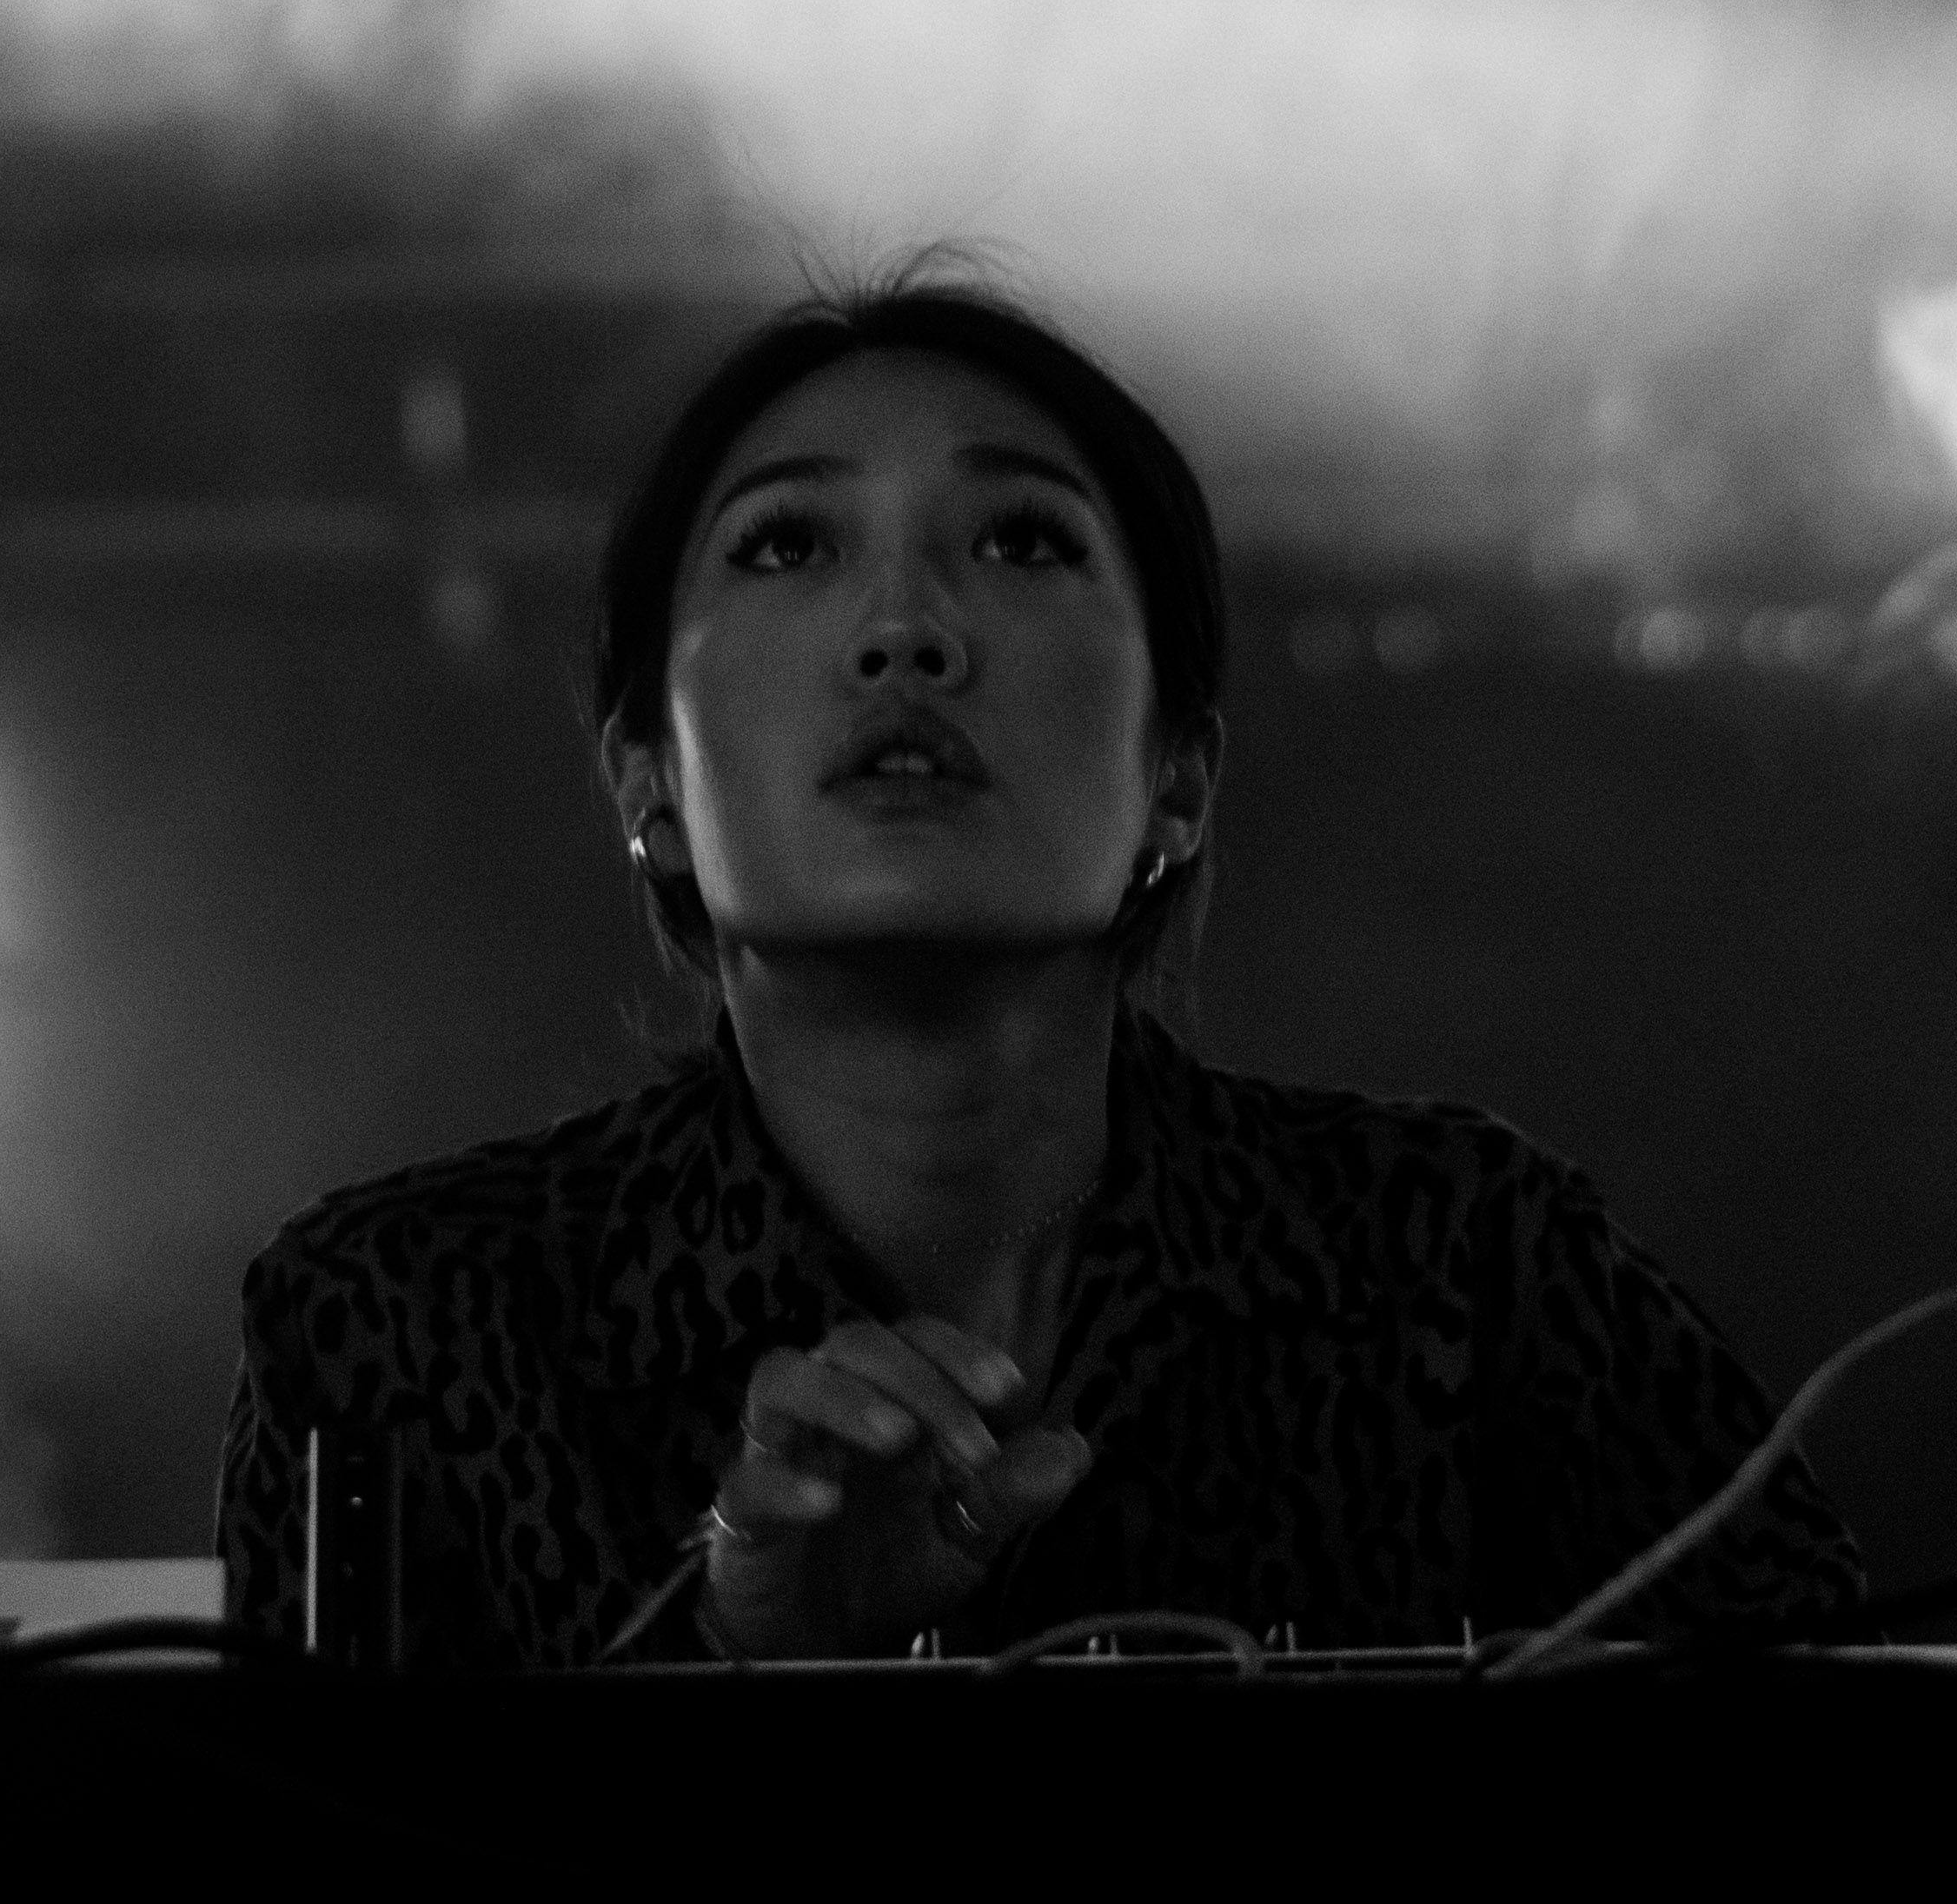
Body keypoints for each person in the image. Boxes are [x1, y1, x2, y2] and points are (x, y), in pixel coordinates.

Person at [216, 277, 1857, 1663]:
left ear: (1179, 779)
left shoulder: (1468, 1272)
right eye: (786, 546)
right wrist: (743, 1664)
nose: (906, 632)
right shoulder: (403, 1331)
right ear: (648, 778)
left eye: (1019, 541)